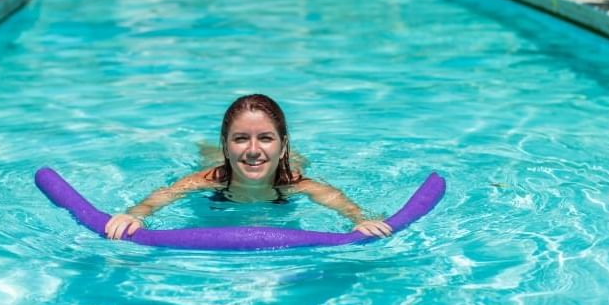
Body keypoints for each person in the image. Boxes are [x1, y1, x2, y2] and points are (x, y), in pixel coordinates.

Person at [104, 94, 393, 239]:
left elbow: (353, 211)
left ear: (282, 144)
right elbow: (155, 201)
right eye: (241, 139)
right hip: (222, 169)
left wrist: (361, 221)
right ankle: (208, 146)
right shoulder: (205, 181)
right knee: (207, 156)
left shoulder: (299, 185)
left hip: (282, 168)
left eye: (266, 138)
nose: (253, 150)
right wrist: (133, 217)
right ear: (227, 144)